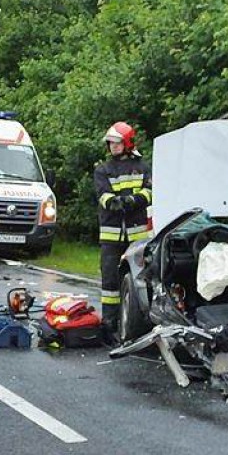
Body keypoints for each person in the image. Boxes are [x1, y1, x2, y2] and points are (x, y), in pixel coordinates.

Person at [94, 122, 153, 346]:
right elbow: (104, 197)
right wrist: (118, 202)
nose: (113, 146)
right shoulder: (103, 170)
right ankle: (109, 326)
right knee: (110, 283)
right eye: (110, 143)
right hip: (111, 237)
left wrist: (132, 200)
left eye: (117, 142)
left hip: (137, 237)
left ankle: (136, 326)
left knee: (139, 280)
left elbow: (149, 192)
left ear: (127, 143)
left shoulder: (142, 167)